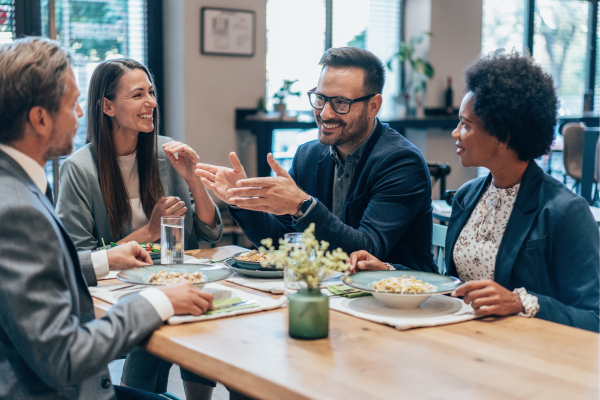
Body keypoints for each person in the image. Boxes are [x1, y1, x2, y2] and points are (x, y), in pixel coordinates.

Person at [0, 37, 215, 399]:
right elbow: (66, 358)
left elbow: (45, 270)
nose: (80, 115)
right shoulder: (19, 208)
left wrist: (104, 258)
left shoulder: (17, 187)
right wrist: (157, 302)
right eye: (72, 104)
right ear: (39, 118)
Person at [347, 50, 599, 332]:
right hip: (468, 341)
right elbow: (451, 287)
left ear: (504, 136)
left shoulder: (564, 211)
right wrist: (389, 272)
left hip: (530, 355)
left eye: (465, 125)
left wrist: (521, 302)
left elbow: (594, 316)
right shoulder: (468, 196)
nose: (455, 133)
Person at [55, 59, 222, 398]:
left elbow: (208, 235)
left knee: (202, 316)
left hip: (173, 278)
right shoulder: (79, 169)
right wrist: (149, 231)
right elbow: (78, 258)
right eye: (137, 95)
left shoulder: (167, 151)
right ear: (107, 106)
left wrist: (194, 180)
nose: (151, 103)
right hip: (116, 294)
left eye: (151, 92)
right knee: (158, 324)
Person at [196, 47, 436, 272]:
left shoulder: (402, 162)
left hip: (400, 298)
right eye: (320, 98)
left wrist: (302, 206)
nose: (325, 113)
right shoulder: (308, 155)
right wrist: (243, 201)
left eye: (341, 102)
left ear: (373, 106)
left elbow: (366, 252)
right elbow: (282, 245)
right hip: (331, 290)